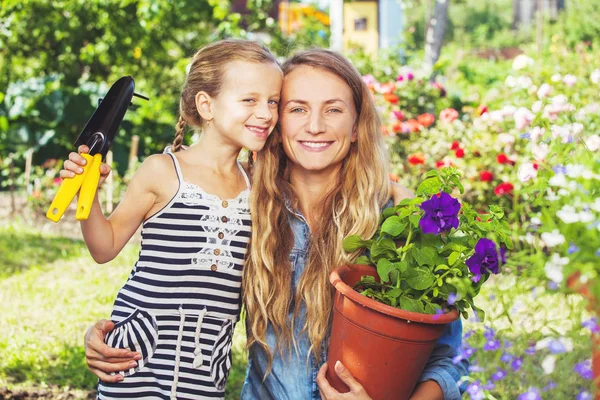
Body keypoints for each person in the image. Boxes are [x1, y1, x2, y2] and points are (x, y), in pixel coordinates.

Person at [82, 48, 469, 400]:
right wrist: (110, 332)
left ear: (356, 126)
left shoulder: (397, 221)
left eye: (333, 109)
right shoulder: (254, 203)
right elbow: (173, 278)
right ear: (277, 125)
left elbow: (450, 357)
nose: (314, 126)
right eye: (296, 108)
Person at [61, 39, 283, 399]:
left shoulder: (258, 185)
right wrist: (87, 192)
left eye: (272, 101)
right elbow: (104, 247)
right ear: (206, 105)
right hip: (136, 357)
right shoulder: (163, 171)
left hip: (205, 363)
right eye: (250, 100)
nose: (266, 113)